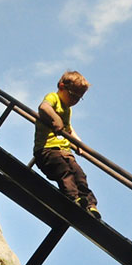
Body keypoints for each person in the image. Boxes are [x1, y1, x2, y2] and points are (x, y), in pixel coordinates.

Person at [34, 70, 99, 219]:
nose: (75, 100)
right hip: (47, 150)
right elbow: (44, 107)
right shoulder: (54, 98)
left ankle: (90, 204)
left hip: (65, 151)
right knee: (65, 172)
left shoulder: (68, 110)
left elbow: (69, 130)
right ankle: (73, 198)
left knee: (80, 175)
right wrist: (55, 119)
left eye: (79, 98)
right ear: (61, 86)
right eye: (73, 95)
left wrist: (79, 145)